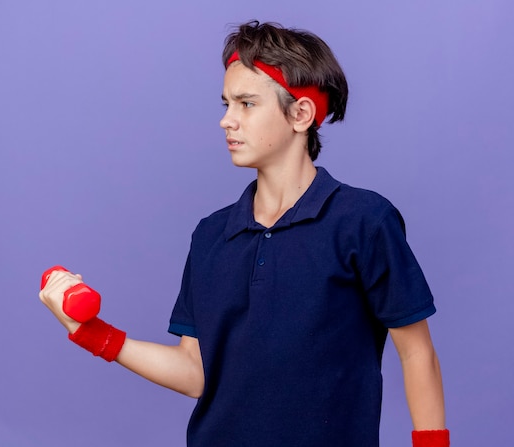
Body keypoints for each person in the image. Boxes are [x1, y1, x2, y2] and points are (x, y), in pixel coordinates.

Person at [40, 21, 449, 447]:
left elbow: (417, 353)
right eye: (225, 104)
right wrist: (92, 333)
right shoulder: (212, 235)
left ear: (301, 114)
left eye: (246, 104)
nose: (226, 121)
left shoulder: (364, 220)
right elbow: (195, 371)